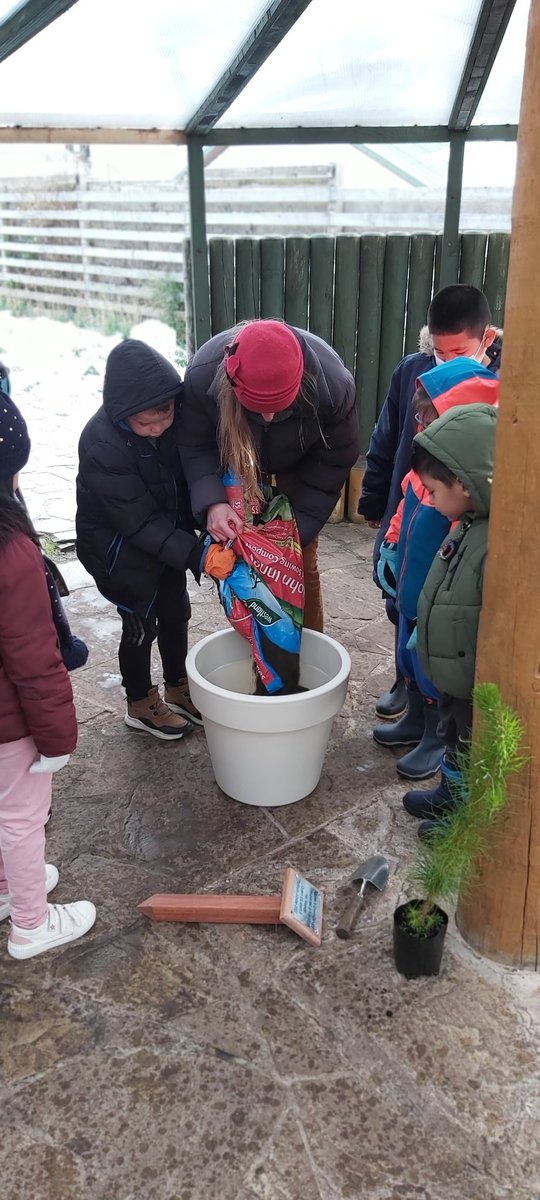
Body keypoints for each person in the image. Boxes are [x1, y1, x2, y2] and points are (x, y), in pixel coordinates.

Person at [358, 285, 501, 721]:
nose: (446, 360)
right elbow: (386, 438)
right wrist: (372, 500)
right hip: (410, 499)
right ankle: (407, 683)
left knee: (437, 610)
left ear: (486, 340)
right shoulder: (412, 372)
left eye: (457, 350)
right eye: (438, 351)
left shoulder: (502, 386)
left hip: (454, 515)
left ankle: (433, 702)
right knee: (397, 597)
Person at [177, 319, 360, 632]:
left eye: (278, 407)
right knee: (240, 562)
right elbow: (195, 444)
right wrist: (213, 503)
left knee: (300, 562)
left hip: (302, 467)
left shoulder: (333, 385)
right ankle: (253, 644)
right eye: (257, 408)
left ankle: (306, 647)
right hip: (236, 465)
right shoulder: (203, 374)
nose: (268, 417)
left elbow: (334, 461)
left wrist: (291, 537)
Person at [0, 395, 96, 959]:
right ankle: (33, 925)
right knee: (22, 816)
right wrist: (58, 738)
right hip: (10, 724)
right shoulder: (10, 551)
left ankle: (10, 888)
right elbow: (33, 658)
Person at [372, 358, 499, 781]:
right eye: (420, 419)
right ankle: (414, 719)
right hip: (410, 591)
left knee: (430, 671)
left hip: (436, 603)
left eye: (431, 418)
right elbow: (403, 509)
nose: (421, 428)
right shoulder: (424, 473)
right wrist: (390, 546)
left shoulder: (463, 501)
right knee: (408, 664)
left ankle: (434, 737)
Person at [76, 339, 206, 741]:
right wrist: (196, 553)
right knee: (140, 626)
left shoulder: (170, 426)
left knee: (176, 612)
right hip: (120, 552)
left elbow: (183, 483)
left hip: (163, 541)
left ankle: (177, 685)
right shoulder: (102, 445)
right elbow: (137, 521)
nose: (158, 429)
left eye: (164, 418)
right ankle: (139, 701)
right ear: (121, 413)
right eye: (147, 424)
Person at [404, 401, 498, 838]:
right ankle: (449, 792)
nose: (429, 498)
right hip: (450, 671)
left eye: (433, 490)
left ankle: (465, 820)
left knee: (470, 742)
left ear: (462, 483)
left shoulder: (494, 540)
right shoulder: (465, 521)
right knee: (452, 734)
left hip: (472, 676)